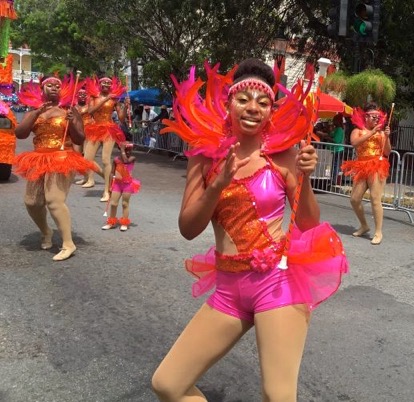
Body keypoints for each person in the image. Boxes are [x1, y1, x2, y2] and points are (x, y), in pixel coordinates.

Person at [151, 58, 347, 401]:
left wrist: (305, 178)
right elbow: (188, 228)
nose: (253, 108)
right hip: (228, 288)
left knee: (277, 395)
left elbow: (308, 225)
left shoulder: (283, 154)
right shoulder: (205, 156)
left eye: (263, 102)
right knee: (168, 384)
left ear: (271, 109)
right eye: (243, 99)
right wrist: (217, 185)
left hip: (276, 282)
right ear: (228, 103)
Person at [14, 75, 95, 261]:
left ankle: (68, 244)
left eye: (57, 86)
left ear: (62, 90)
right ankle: (46, 231)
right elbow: (20, 133)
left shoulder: (69, 110)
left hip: (61, 158)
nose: (53, 88)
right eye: (49, 85)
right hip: (38, 158)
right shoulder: (35, 112)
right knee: (32, 202)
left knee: (54, 200)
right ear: (42, 89)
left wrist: (72, 122)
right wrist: (35, 114)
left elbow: (79, 139)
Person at [341, 103, 391, 245]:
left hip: (377, 165)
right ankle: (364, 225)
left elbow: (387, 152)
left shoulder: (381, 133)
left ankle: (378, 232)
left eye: (379, 117)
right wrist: (372, 132)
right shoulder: (357, 131)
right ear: (366, 117)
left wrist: (386, 137)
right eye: (374, 117)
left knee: (375, 199)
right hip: (361, 166)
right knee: (354, 199)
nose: (377, 119)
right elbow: (355, 143)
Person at [80, 76, 129, 202]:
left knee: (105, 159)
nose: (106, 84)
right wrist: (106, 99)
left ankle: (106, 191)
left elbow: (122, 118)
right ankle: (107, 177)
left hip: (109, 129)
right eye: (104, 83)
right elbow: (90, 111)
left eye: (108, 83)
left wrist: (126, 107)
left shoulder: (115, 100)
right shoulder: (93, 97)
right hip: (95, 128)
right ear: (99, 84)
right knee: (87, 160)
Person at [101, 142, 140, 231]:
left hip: (127, 185)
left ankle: (124, 223)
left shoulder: (132, 158)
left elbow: (126, 161)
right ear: (120, 150)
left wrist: (122, 149)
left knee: (125, 203)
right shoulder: (116, 160)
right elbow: (111, 173)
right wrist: (110, 186)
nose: (128, 153)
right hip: (117, 184)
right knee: (113, 203)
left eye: (129, 151)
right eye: (126, 150)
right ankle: (111, 222)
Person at [327, 114, 345, 185]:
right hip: (334, 149)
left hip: (337, 150)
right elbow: (331, 134)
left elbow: (336, 140)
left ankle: (333, 180)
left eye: (334, 120)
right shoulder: (336, 129)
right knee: (332, 165)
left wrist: (328, 138)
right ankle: (331, 179)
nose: (333, 121)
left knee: (335, 165)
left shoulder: (340, 129)